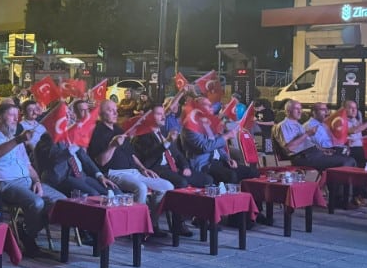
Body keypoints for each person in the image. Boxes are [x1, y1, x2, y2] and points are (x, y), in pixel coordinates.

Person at [0, 101, 65, 258]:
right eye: (11, 115)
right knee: (37, 203)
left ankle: (25, 229)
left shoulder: (16, 140)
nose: (15, 119)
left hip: (28, 181)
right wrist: (18, 140)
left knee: (62, 202)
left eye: (16, 116)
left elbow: (28, 165)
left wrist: (37, 181)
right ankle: (28, 235)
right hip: (7, 184)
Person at [88, 100, 173, 236]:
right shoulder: (96, 132)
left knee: (167, 186)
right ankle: (136, 230)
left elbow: (132, 154)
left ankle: (152, 224)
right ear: (100, 114)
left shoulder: (119, 129)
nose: (115, 113)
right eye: (110, 110)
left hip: (134, 171)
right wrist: (113, 146)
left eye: (115, 109)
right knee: (141, 188)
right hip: (114, 173)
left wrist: (143, 168)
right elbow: (101, 162)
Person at [180, 98, 259, 185]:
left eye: (211, 105)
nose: (211, 108)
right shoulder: (190, 127)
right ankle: (230, 197)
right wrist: (226, 136)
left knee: (253, 172)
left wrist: (227, 158)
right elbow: (205, 147)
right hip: (205, 164)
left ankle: (247, 198)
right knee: (231, 176)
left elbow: (219, 146)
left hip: (219, 161)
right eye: (207, 105)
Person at [274, 100, 354, 171]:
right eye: (296, 109)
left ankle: (344, 187)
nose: (300, 111)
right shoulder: (284, 125)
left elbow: (306, 143)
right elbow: (289, 148)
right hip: (303, 157)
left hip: (313, 154)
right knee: (347, 161)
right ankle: (339, 187)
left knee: (350, 159)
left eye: (300, 109)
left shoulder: (298, 125)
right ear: (288, 111)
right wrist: (307, 134)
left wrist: (323, 150)